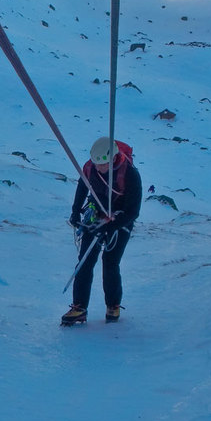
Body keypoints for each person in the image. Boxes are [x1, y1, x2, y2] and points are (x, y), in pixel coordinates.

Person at [61, 137, 142, 325]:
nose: (99, 168)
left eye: (103, 164)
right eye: (97, 163)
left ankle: (113, 306)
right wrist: (75, 212)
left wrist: (111, 226)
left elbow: (133, 211)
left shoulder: (129, 173)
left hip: (121, 219)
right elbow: (83, 186)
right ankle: (79, 307)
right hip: (96, 214)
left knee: (110, 262)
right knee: (85, 261)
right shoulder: (91, 167)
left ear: (113, 158)